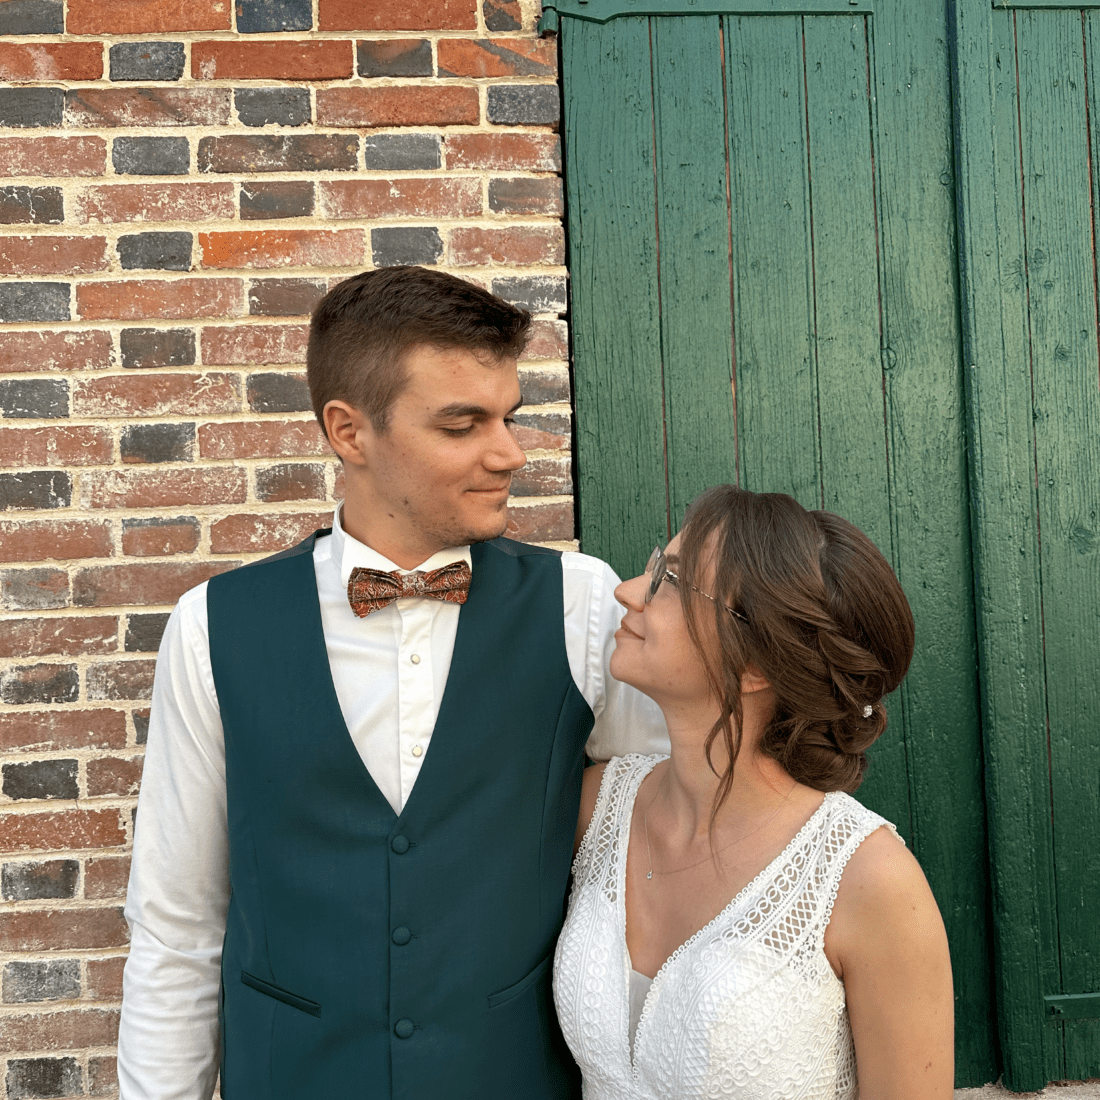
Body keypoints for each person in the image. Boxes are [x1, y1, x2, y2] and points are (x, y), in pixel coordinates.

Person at [117, 266, 668, 1099]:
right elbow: (176, 925)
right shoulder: (212, 627)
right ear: (349, 432)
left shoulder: (584, 604)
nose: (510, 453)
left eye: (509, 417)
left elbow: (654, 870)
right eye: (462, 424)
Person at [554, 485, 954, 1099]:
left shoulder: (869, 882)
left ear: (757, 664)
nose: (628, 592)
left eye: (669, 581)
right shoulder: (597, 808)